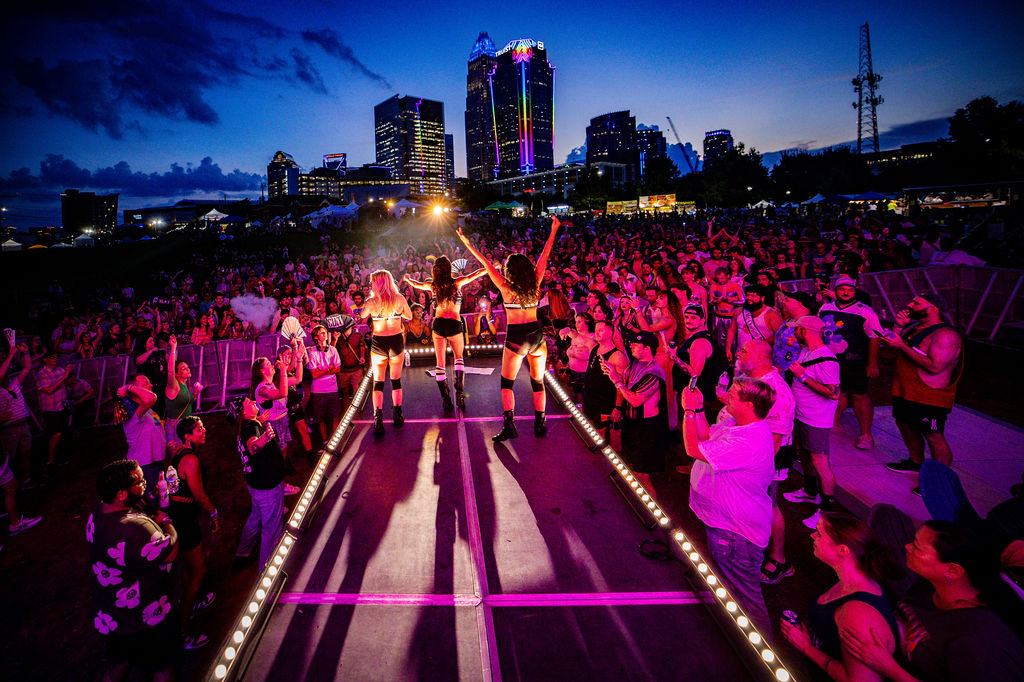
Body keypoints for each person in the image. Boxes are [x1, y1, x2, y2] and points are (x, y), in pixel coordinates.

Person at [841, 521, 1024, 681]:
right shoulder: (929, 586)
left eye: (917, 547)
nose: (907, 546)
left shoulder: (978, 643)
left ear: (952, 570)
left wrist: (889, 667)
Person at [681, 377, 776, 637]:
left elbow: (693, 449)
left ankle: (762, 651)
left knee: (745, 598)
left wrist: (688, 411)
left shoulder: (749, 440)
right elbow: (706, 436)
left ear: (748, 405)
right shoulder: (736, 424)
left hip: (736, 533)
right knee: (731, 588)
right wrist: (698, 408)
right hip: (725, 524)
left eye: (732, 395)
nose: (726, 397)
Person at [457, 217, 560, 442]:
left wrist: (467, 244)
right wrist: (553, 231)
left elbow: (485, 263)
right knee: (538, 382)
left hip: (516, 337)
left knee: (507, 383)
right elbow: (545, 255)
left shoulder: (505, 288)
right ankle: (540, 422)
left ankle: (509, 425)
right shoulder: (535, 283)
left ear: (509, 271)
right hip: (536, 337)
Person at [87, 459, 180, 680]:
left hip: (113, 613)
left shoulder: (98, 512)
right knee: (163, 666)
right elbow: (170, 551)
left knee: (118, 666)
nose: (145, 485)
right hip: (147, 615)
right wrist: (166, 522)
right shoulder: (135, 528)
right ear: (121, 494)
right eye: (140, 482)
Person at [781, 512, 901, 682]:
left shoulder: (857, 614)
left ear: (842, 550)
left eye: (819, 534)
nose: (812, 535)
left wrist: (807, 648)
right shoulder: (852, 580)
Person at [880, 294, 964, 496]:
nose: (910, 305)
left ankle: (940, 482)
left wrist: (901, 345)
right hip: (907, 391)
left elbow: (935, 367)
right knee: (906, 425)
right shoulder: (916, 328)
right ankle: (916, 462)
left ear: (933, 309)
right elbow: (894, 344)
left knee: (933, 436)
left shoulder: (946, 335)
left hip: (929, 397)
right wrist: (898, 327)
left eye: (916, 303)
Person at [728, 340, 796, 585]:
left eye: (745, 351)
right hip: (748, 453)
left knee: (768, 505)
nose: (739, 352)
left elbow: (774, 440)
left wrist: (753, 467)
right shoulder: (752, 381)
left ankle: (779, 558)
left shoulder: (776, 389)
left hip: (766, 459)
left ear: (760, 358)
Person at [404, 256, 486, 410]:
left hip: (439, 325)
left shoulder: (433, 286)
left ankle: (446, 400)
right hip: (454, 324)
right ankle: (459, 395)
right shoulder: (457, 283)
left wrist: (408, 279)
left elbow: (417, 284)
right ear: (449, 269)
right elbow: (475, 274)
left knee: (440, 364)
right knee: (459, 358)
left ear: (435, 271)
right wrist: (490, 268)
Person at [784, 315, 841, 530]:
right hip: (802, 414)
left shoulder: (827, 360)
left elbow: (833, 393)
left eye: (796, 329)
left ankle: (827, 511)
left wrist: (803, 376)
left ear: (804, 331)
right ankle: (809, 491)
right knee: (806, 455)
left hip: (816, 419)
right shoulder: (807, 351)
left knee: (820, 461)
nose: (793, 333)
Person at [167, 417, 218, 650]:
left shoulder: (179, 453)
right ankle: (182, 631)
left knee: (189, 566)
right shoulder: (191, 460)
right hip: (185, 519)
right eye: (199, 429)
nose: (204, 430)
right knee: (199, 571)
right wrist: (213, 513)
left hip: (180, 514)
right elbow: (198, 495)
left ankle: (194, 600)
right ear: (187, 436)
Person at [818, 276, 883, 449]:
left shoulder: (865, 311)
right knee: (836, 391)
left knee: (859, 395)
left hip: (856, 361)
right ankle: (835, 423)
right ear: (835, 290)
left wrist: (872, 363)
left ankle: (866, 434)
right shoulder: (825, 307)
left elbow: (875, 337)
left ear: (855, 291)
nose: (846, 293)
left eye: (850, 289)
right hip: (831, 361)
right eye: (842, 289)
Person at [603, 330, 668, 496]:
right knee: (633, 466)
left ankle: (653, 507)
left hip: (646, 429)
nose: (631, 346)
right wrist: (612, 372)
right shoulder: (635, 364)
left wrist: (615, 380)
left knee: (642, 474)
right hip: (632, 424)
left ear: (647, 348)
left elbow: (636, 400)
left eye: (636, 344)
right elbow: (625, 383)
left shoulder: (654, 373)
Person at [358, 269, 413, 436]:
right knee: (396, 381)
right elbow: (409, 316)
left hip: (379, 342)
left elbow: (362, 316)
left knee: (378, 383)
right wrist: (398, 313)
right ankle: (397, 415)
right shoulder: (399, 298)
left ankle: (378, 420)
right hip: (395, 340)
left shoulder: (371, 301)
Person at [235, 397, 286, 570]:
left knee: (255, 518)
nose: (252, 402)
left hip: (255, 483)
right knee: (271, 530)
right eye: (248, 403)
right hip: (267, 486)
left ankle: (243, 553)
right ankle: (267, 573)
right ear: (243, 413)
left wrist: (260, 421)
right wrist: (265, 438)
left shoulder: (246, 426)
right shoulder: (251, 427)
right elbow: (252, 447)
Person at [252, 352, 301, 494]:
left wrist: (299, 359)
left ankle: (281, 485)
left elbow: (298, 379)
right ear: (262, 371)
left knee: (282, 455)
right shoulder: (263, 389)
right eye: (268, 364)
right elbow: (283, 394)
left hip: (282, 422)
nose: (272, 364)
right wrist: (284, 371)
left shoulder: (273, 383)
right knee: (279, 457)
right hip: (275, 425)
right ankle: (280, 487)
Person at [580, 318, 628, 441]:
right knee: (591, 429)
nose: (597, 333)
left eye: (601, 330)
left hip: (605, 402)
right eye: (596, 330)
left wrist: (617, 407)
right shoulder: (595, 349)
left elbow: (622, 385)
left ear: (610, 333)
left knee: (604, 432)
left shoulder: (617, 357)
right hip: (590, 398)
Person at [117, 373, 167, 488]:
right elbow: (151, 398)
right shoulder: (132, 412)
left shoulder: (148, 410)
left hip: (156, 461)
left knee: (161, 493)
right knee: (152, 496)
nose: (151, 385)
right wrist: (128, 388)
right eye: (145, 383)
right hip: (144, 465)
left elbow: (158, 428)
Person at [0, 340, 34, 484]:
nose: (7, 373)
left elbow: (27, 368)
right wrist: (10, 355)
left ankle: (26, 481)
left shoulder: (14, 383)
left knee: (26, 453)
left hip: (23, 425)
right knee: (10, 459)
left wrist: (26, 353)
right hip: (9, 429)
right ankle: (11, 484)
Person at [36, 348, 71, 482]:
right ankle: (49, 461)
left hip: (61, 405)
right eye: (52, 357)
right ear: (45, 359)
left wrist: (69, 375)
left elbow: (67, 382)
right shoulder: (42, 374)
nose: (55, 359)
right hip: (50, 408)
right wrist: (65, 376)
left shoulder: (59, 370)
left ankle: (59, 458)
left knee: (62, 432)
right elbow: (49, 390)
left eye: (56, 357)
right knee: (55, 433)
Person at [726, 284, 782, 363]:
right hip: (741, 356)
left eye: (753, 296)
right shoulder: (739, 311)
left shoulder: (771, 314)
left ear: (762, 298)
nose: (749, 298)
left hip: (761, 358)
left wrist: (760, 343)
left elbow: (780, 336)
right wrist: (728, 349)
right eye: (748, 295)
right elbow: (732, 330)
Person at [305, 324, 342, 442]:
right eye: (321, 333)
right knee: (320, 418)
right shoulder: (313, 353)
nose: (325, 334)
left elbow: (338, 368)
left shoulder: (333, 350)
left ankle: (336, 440)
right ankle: (325, 441)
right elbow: (314, 375)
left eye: (325, 332)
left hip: (332, 389)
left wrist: (322, 371)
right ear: (316, 337)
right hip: (318, 391)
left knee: (335, 416)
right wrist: (329, 369)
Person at [164, 336, 199, 454]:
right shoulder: (173, 386)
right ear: (176, 373)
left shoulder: (184, 386)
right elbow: (170, 371)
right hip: (176, 427)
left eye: (187, 367)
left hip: (186, 425)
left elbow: (189, 403)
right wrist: (173, 348)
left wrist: (196, 392)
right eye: (183, 368)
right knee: (179, 455)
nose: (188, 369)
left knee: (188, 453)